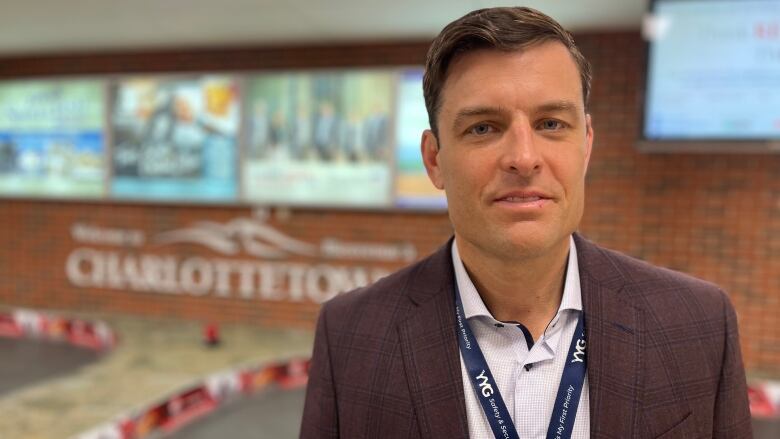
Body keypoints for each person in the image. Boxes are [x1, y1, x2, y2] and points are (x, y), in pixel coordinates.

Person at [300, 7, 752, 439]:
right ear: (434, 159)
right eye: (483, 128)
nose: (523, 158)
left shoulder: (697, 323)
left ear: (587, 145)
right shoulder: (352, 336)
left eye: (551, 123)